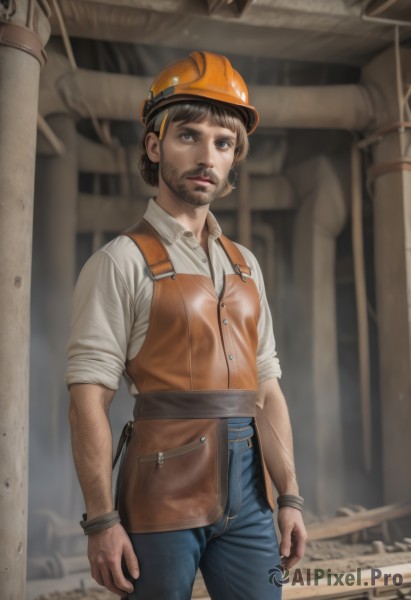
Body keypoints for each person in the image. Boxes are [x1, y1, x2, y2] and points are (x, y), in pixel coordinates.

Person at [66, 50, 307, 600]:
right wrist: (102, 521)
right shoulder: (119, 262)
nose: (207, 156)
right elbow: (87, 401)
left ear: (233, 159)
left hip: (251, 501)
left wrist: (289, 496)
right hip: (159, 494)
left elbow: (266, 390)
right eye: (188, 136)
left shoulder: (246, 265)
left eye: (223, 144)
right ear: (155, 145)